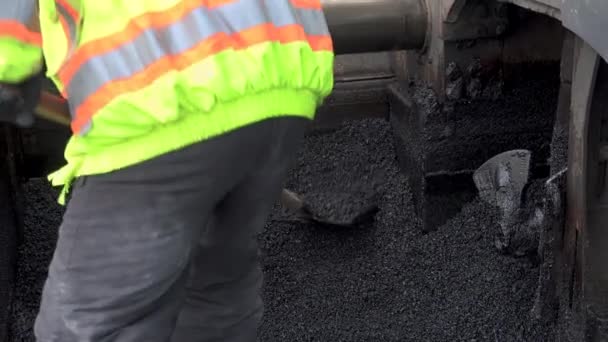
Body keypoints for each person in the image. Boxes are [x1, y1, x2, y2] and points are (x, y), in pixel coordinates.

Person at [0, 0, 334, 341]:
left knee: (88, 325)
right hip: (284, 69)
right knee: (212, 289)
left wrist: (7, 63)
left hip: (160, 87)